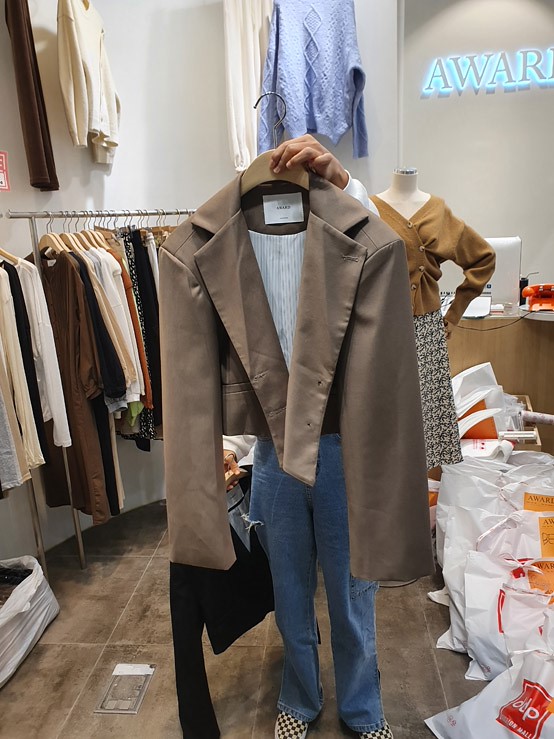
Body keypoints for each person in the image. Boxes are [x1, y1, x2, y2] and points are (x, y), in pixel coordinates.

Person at [222, 134, 402, 739]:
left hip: (341, 443)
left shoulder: (342, 233)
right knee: (290, 587)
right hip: (273, 446)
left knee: (352, 589)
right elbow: (231, 354)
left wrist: (345, 184)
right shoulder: (234, 245)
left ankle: (362, 706)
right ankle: (299, 697)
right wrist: (237, 445)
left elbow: (388, 250)